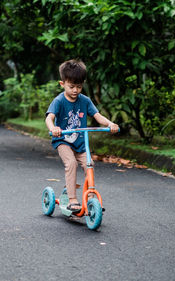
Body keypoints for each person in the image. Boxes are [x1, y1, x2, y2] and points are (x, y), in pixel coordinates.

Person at [45, 59, 119, 213]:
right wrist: (54, 128)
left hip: (80, 142)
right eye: (71, 86)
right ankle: (72, 199)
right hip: (63, 140)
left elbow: (98, 116)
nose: (75, 91)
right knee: (71, 163)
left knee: (89, 164)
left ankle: (91, 196)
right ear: (62, 84)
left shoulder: (85, 101)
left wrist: (110, 124)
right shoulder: (59, 101)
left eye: (79, 87)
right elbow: (49, 117)